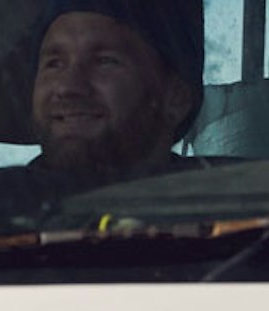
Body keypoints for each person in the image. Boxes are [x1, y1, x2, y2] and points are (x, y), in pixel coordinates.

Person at [29, 0, 202, 179]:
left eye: (104, 61)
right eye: (54, 64)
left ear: (176, 98)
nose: (68, 87)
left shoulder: (216, 192)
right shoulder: (11, 194)